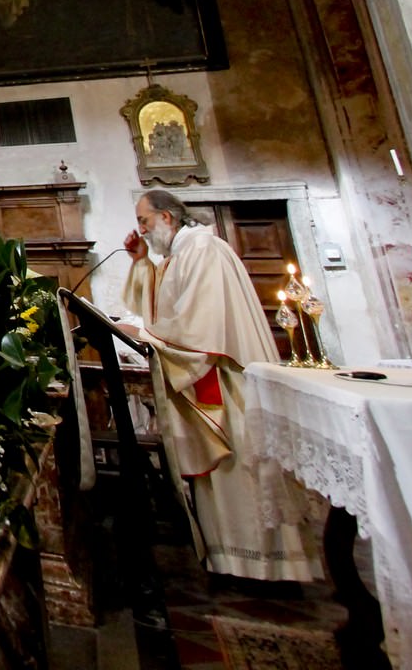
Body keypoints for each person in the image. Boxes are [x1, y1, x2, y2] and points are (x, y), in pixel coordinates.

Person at [122, 189, 322, 581]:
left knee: (243, 470)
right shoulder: (180, 255)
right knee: (226, 479)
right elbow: (165, 303)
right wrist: (141, 264)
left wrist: (146, 334)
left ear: (167, 217)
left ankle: (266, 567)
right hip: (210, 376)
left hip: (225, 379)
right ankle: (233, 560)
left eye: (144, 221)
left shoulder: (203, 251)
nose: (141, 230)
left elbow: (199, 325)